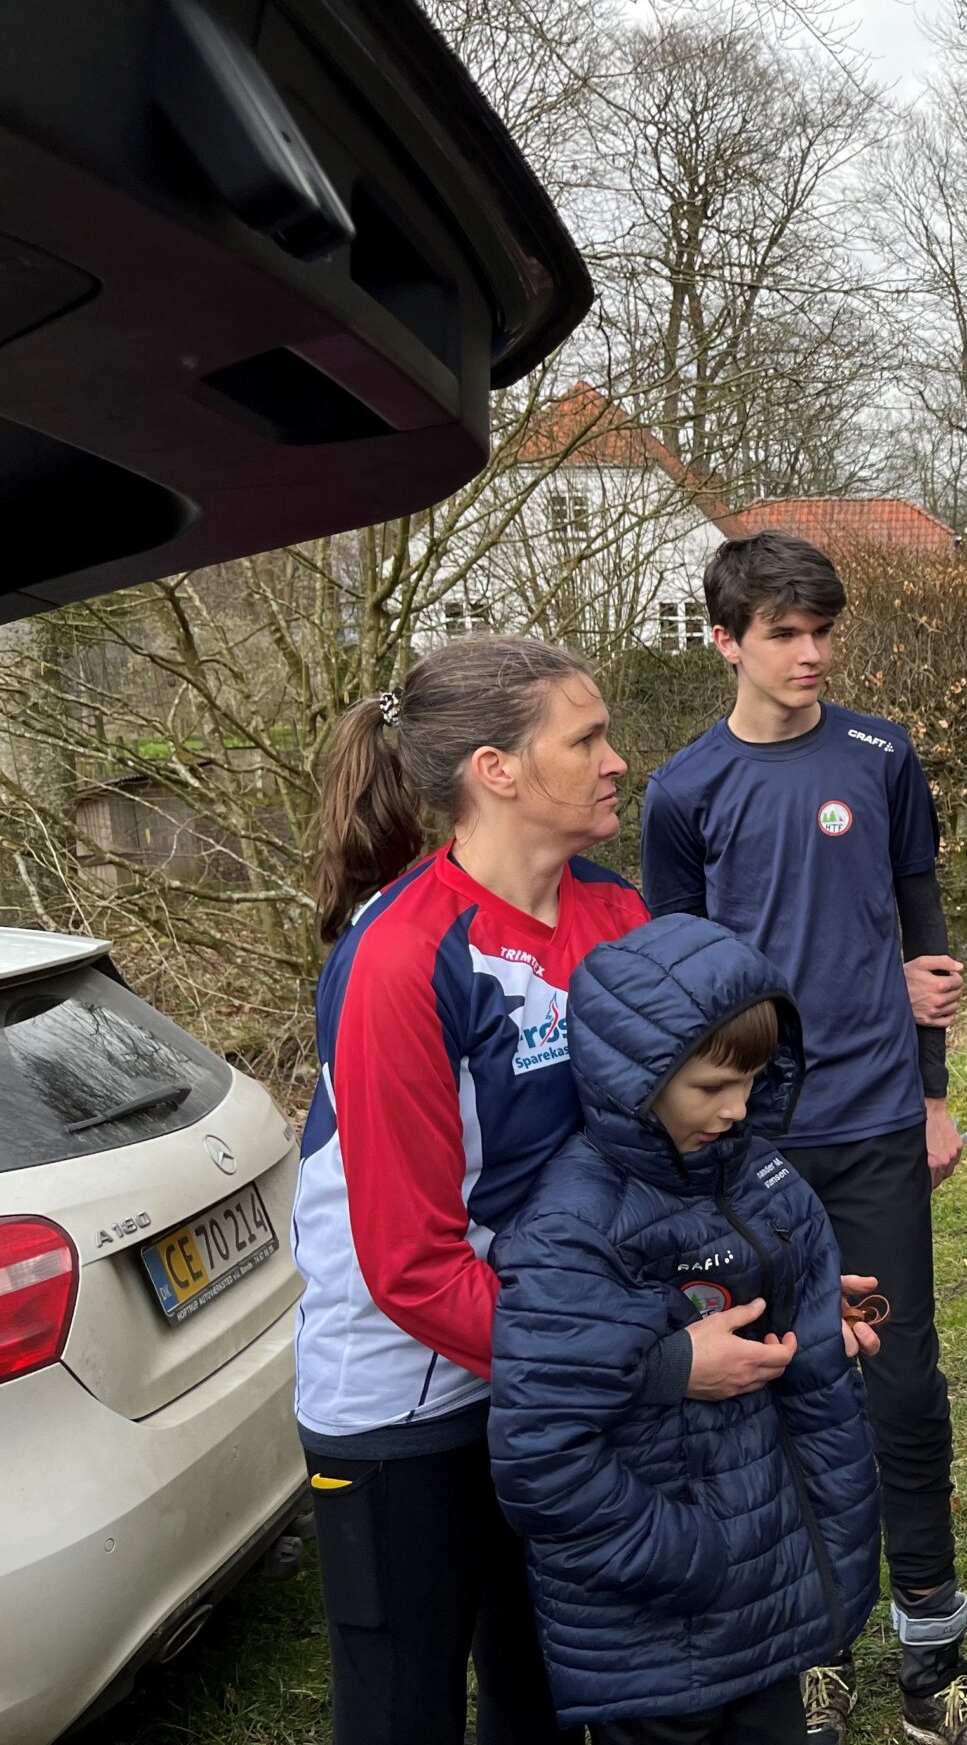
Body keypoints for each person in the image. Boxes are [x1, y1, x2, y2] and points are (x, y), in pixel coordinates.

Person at [296, 638, 805, 1745]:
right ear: (498, 771)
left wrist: (779, 1281)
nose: (618, 761)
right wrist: (651, 1361)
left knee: (546, 1698)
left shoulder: (618, 915)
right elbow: (410, 1268)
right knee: (404, 1715)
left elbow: (673, 1147)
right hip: (412, 1399)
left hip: (566, 1367)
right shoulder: (399, 958)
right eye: (586, 739)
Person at [641, 532, 967, 1745]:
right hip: (748, 1152)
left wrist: (934, 1093)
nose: (809, 654)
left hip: (874, 1126)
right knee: (781, 1391)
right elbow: (674, 986)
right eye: (783, 635)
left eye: (821, 632)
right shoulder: (683, 792)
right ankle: (814, 1652)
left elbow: (922, 926)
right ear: (725, 642)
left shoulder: (882, 755)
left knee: (901, 1387)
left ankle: (933, 1664)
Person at [488, 914, 883, 1745]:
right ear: (637, 1076)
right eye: (711, 1088)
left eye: (752, 1081)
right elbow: (541, 1457)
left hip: (767, 1602)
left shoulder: (758, 1176)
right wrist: (692, 1558)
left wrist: (819, 1324)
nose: (737, 1110)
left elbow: (788, 1334)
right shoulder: (575, 1226)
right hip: (664, 1632)